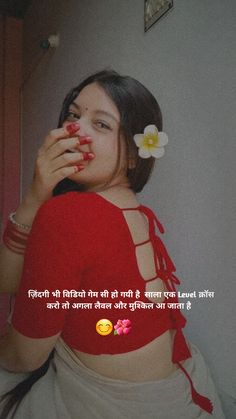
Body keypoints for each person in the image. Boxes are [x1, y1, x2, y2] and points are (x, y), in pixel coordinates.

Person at [0, 70, 225, 418]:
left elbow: (22, 357)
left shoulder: (69, 214)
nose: (75, 130)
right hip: (175, 386)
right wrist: (35, 195)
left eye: (101, 124)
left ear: (134, 156)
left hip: (115, 401)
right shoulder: (133, 208)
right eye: (73, 116)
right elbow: (9, 282)